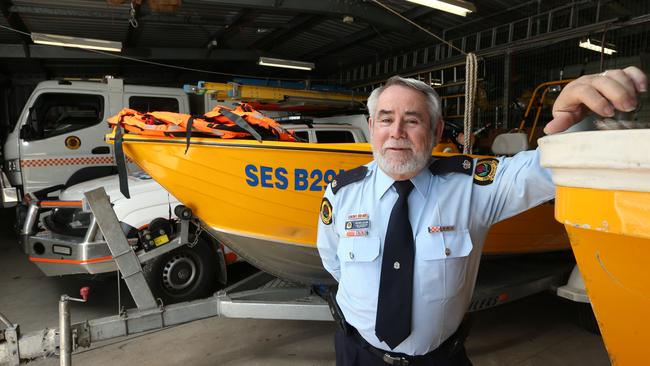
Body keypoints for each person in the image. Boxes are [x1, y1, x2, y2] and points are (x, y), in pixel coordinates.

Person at [316, 66, 647, 366]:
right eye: (386, 119)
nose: (397, 131)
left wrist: (577, 126)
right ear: (372, 126)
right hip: (357, 355)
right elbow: (333, 262)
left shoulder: (472, 187)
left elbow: (545, 171)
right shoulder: (342, 193)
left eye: (413, 120)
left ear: (436, 130)